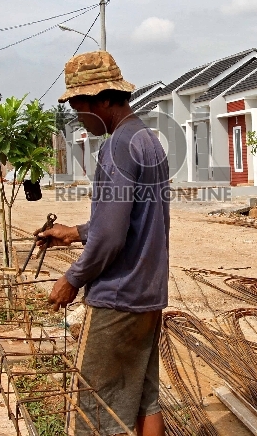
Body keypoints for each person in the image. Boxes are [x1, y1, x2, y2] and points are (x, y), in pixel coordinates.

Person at [41, 50, 169, 436]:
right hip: (147, 293)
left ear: (104, 99)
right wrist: (75, 231)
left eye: (79, 106)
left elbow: (112, 237)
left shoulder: (116, 148)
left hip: (118, 296)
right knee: (145, 395)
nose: (77, 115)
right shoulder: (147, 141)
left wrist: (73, 278)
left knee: (97, 410)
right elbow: (131, 220)